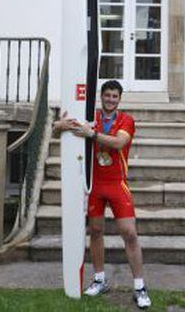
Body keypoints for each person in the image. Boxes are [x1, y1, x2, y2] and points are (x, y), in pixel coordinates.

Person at [53, 79, 151, 309]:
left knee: (130, 234)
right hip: (95, 184)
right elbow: (63, 129)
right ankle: (99, 279)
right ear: (102, 96)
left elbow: (118, 143)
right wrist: (58, 125)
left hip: (117, 184)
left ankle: (140, 287)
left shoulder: (126, 120)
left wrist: (92, 135)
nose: (110, 99)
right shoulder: (92, 118)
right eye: (107, 95)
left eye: (114, 96)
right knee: (95, 231)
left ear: (119, 99)